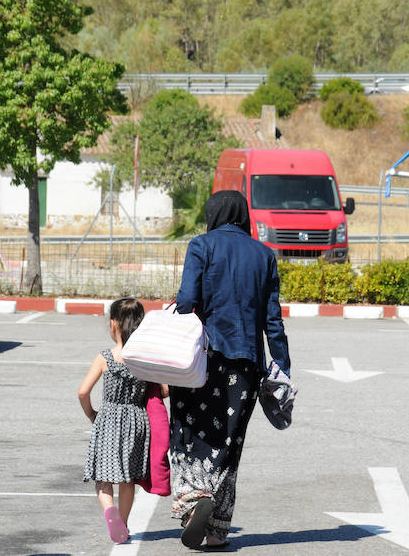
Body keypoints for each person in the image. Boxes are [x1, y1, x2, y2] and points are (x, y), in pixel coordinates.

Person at [171, 190, 291, 549]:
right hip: (247, 366)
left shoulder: (201, 246)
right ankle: (217, 530)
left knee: (189, 428)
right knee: (229, 441)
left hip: (202, 362)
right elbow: (273, 320)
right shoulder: (264, 254)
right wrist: (282, 366)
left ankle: (194, 501)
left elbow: (187, 302)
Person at [78, 298, 168, 543]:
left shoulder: (105, 357)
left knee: (103, 477)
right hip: (137, 420)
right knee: (128, 478)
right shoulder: (144, 358)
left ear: (114, 325)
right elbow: (165, 390)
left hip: (108, 418)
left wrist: (92, 414)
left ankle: (110, 512)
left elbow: (83, 391)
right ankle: (124, 524)